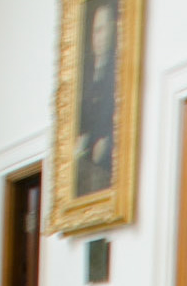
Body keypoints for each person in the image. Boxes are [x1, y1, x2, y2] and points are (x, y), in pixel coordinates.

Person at [75, 0, 117, 196]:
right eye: (95, 31)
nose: (98, 37)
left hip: (102, 161)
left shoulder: (114, 73)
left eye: (102, 30)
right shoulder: (87, 74)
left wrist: (105, 140)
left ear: (112, 30)